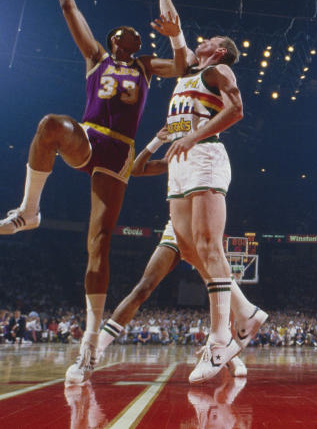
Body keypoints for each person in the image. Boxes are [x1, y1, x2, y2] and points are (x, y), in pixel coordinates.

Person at [0, 0, 189, 384]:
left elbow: (185, 64)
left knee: (99, 242)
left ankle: (92, 339)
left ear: (138, 45)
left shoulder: (147, 67)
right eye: (120, 33)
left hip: (119, 153)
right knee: (50, 125)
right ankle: (29, 211)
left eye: (134, 34)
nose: (126, 35)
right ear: (112, 39)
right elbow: (67, 4)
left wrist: (173, 24)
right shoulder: (95, 57)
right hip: (88, 136)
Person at [92, 127, 247, 377]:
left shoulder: (209, 155)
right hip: (176, 229)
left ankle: (229, 354)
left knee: (219, 288)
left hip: (202, 226)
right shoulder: (176, 156)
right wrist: (156, 140)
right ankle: (94, 350)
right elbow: (136, 168)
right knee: (144, 286)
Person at [164, 34, 268, 384]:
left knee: (209, 246)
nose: (202, 39)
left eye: (210, 39)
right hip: (180, 162)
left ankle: (221, 339)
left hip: (205, 154)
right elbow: (176, 126)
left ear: (220, 51)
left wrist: (193, 137)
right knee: (190, 250)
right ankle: (246, 311)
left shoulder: (219, 69)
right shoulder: (188, 76)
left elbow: (236, 110)